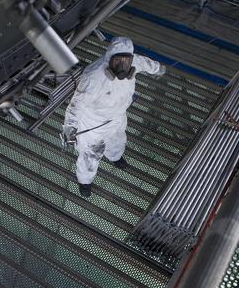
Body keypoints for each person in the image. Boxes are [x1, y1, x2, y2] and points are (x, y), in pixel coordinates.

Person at [62, 37, 166, 197]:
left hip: (118, 116)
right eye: (118, 62)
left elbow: (145, 63)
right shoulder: (93, 77)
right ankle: (85, 182)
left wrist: (157, 68)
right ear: (109, 59)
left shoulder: (134, 62)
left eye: (126, 61)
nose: (122, 67)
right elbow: (76, 105)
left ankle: (115, 157)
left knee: (118, 140)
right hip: (93, 125)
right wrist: (70, 127)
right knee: (90, 157)